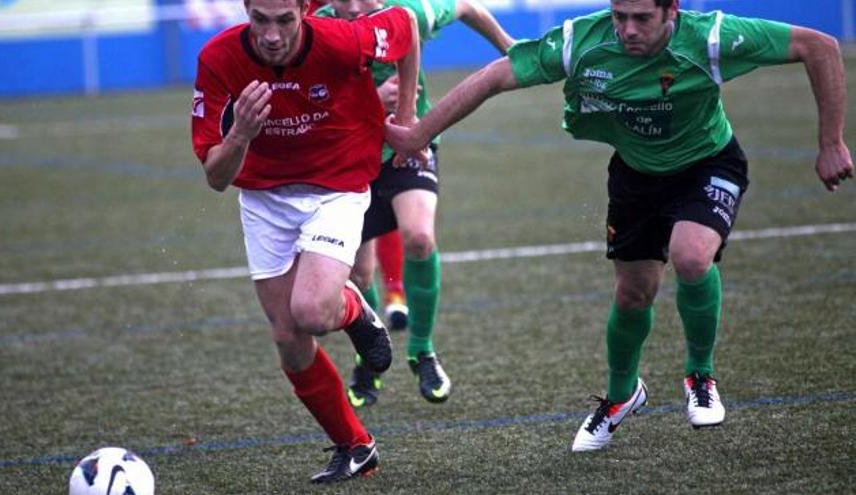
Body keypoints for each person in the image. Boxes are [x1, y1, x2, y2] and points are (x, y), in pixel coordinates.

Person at [385, 0, 853, 451]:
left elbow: (821, 47)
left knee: (691, 258)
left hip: (708, 163)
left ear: (672, 11)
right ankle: (620, 396)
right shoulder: (580, 42)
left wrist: (831, 141)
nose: (628, 29)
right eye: (619, 16)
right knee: (633, 295)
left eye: (642, 18)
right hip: (635, 175)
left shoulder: (711, 37)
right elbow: (496, 76)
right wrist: (419, 135)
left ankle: (700, 375)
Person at [190, 0, 423, 483]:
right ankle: (356, 446)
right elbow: (215, 177)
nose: (271, 35)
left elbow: (407, 26)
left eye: (284, 20)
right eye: (260, 20)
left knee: (314, 312)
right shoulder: (218, 59)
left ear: (303, 11)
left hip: (336, 186)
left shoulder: (345, 40)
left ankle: (353, 308)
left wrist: (405, 120)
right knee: (288, 338)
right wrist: (241, 136)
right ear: (246, 12)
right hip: (263, 198)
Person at [315, 0, 515, 408]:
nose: (354, 7)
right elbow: (309, 103)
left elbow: (466, 7)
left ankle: (422, 350)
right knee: (358, 271)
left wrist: (510, 46)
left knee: (420, 237)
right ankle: (368, 353)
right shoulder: (316, 31)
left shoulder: (408, 12)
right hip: (351, 157)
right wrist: (371, 97)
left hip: (409, 149)